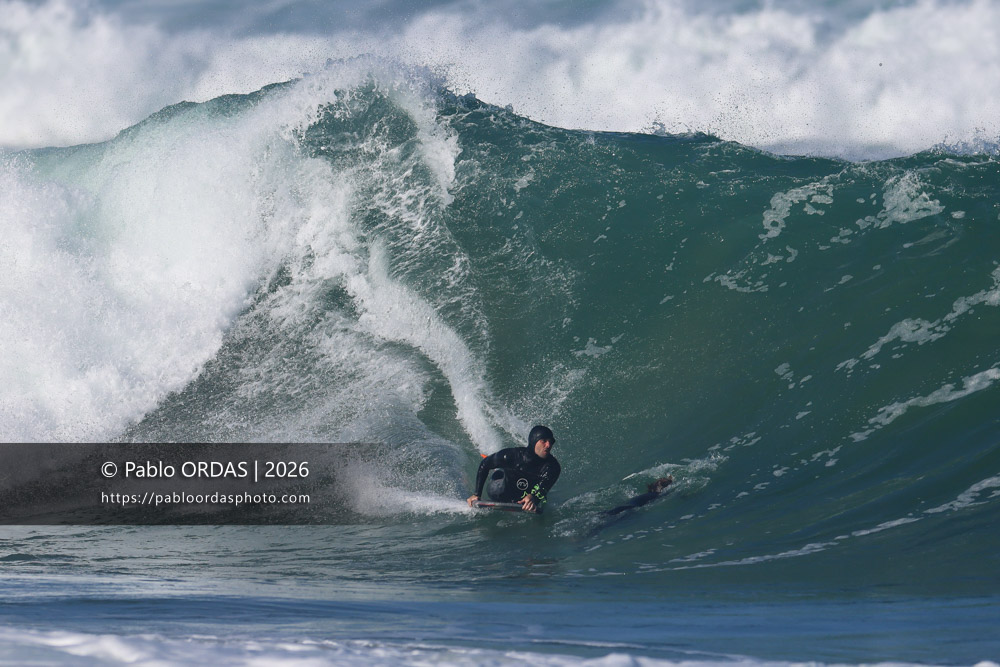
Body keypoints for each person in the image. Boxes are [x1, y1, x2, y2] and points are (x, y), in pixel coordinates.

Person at [467, 425, 560, 513]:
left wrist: (534, 498)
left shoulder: (553, 467)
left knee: (539, 496)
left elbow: (544, 487)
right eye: (544, 441)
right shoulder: (512, 456)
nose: (548, 445)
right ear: (534, 441)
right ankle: (499, 470)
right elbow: (485, 464)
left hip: (525, 495)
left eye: (550, 441)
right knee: (498, 477)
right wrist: (477, 494)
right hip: (501, 492)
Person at [603, 476, 673, 516]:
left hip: (625, 506)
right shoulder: (657, 495)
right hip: (629, 507)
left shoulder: (648, 495)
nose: (657, 482)